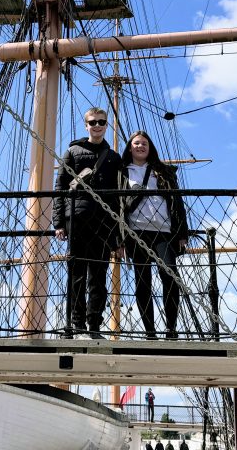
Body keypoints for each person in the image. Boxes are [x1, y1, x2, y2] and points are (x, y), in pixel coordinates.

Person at [54, 107, 123, 339]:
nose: (97, 126)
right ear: (86, 125)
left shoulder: (114, 157)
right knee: (77, 274)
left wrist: (117, 232)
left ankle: (94, 325)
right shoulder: (73, 152)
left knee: (99, 276)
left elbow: (118, 197)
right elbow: (60, 187)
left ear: (106, 125)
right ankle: (76, 324)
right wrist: (58, 222)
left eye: (101, 122)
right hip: (77, 218)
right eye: (93, 122)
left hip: (103, 222)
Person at [119, 130, 189, 339]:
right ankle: (150, 331)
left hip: (164, 231)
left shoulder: (163, 171)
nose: (140, 146)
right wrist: (119, 238)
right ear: (130, 147)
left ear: (150, 148)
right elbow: (117, 205)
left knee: (170, 277)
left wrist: (182, 232)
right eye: (136, 143)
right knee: (143, 282)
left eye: (144, 144)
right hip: (136, 232)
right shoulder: (122, 172)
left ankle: (171, 329)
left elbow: (177, 202)